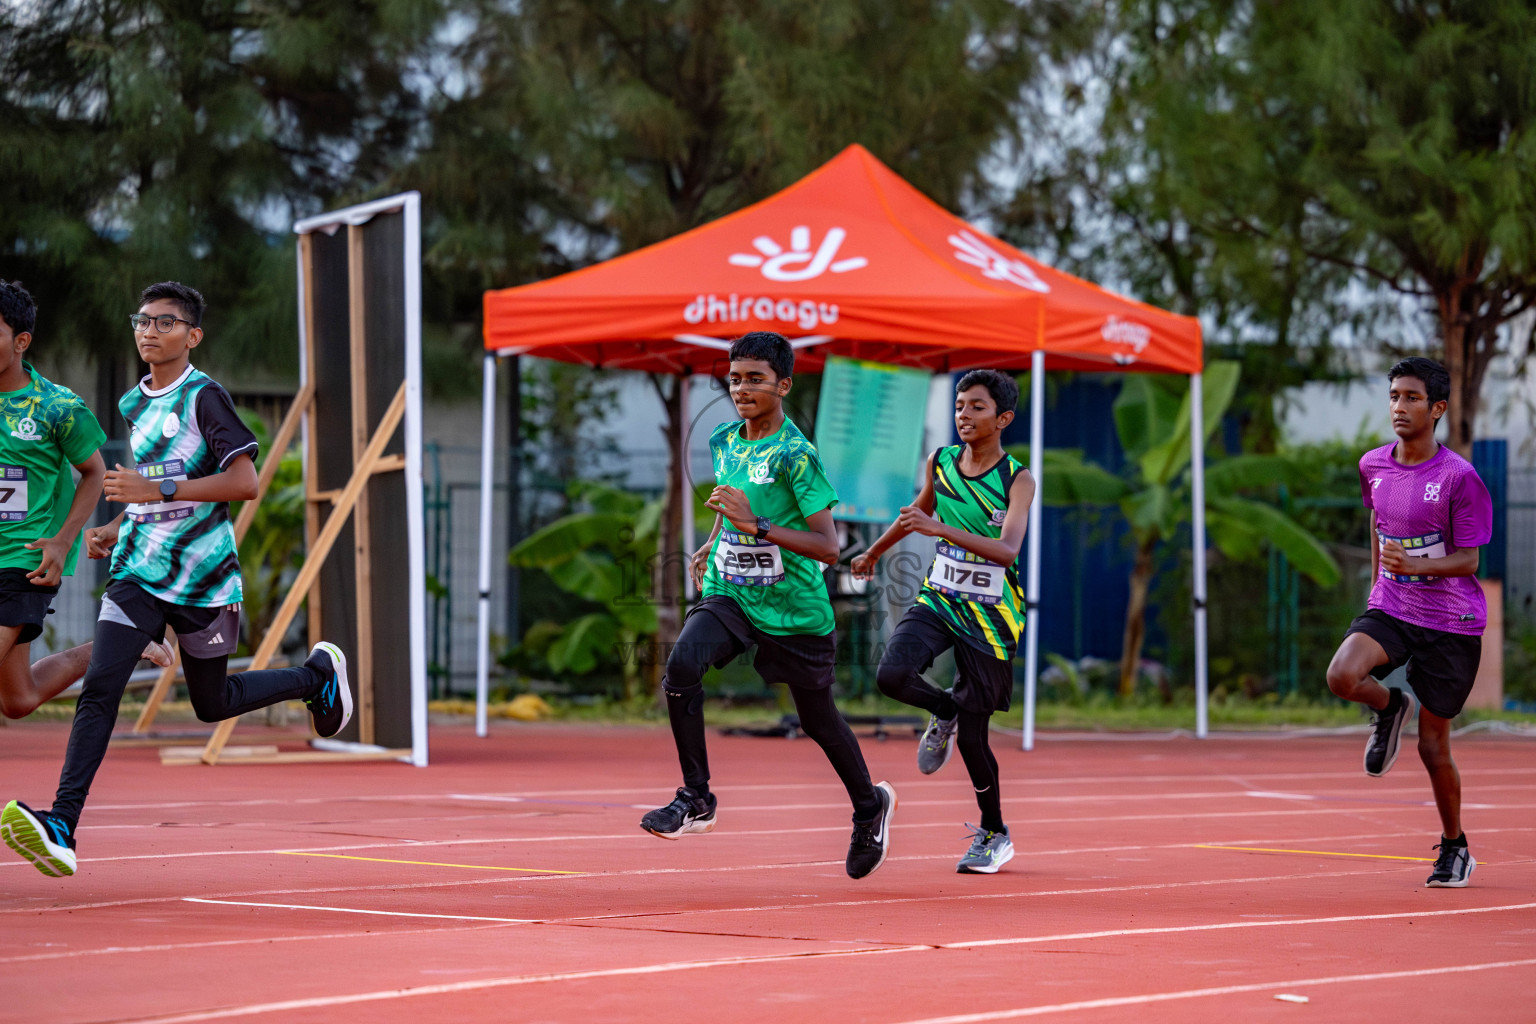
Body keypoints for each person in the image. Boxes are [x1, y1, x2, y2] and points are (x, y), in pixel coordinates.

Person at [2, 281, 353, 878]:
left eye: (165, 323)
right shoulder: (134, 402)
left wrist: (153, 490)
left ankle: (315, 677)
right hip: (138, 570)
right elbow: (158, 485)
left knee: (211, 704)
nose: (149, 330)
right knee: (101, 691)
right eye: (143, 321)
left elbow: (244, 484)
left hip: (204, 579)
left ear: (192, 336)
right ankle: (62, 824)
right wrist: (119, 523)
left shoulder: (204, 398)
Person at [640, 330, 896, 879]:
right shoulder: (726, 440)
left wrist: (756, 525)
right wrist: (714, 539)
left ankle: (869, 806)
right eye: (734, 378)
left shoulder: (798, 456)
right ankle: (696, 797)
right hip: (731, 591)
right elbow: (730, 500)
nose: (741, 388)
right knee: (682, 665)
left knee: (819, 721)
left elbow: (828, 546)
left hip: (794, 608)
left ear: (783, 384)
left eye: (754, 379)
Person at [852, 369, 1032, 874]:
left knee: (975, 741)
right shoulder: (942, 462)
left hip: (993, 617)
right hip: (941, 598)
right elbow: (915, 515)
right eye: (958, 406)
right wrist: (872, 552)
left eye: (976, 407)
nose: (963, 416)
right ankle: (943, 709)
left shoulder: (1018, 480)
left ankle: (995, 833)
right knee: (891, 673)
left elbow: (1007, 549)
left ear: (1003, 418)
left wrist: (940, 527)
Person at [1324, 357, 1492, 888]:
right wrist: (1381, 583)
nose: (1399, 407)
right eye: (1394, 396)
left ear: (1438, 408)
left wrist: (1416, 566)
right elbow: (1379, 527)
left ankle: (1454, 845)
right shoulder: (1373, 465)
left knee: (1432, 746)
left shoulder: (1459, 478)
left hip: (1451, 620)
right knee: (1342, 676)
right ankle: (1390, 703)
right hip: (1393, 605)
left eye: (1412, 398)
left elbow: (1469, 561)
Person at [0, 281, 170, 722]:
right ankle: (123, 641)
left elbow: (95, 472)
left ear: (21, 342)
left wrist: (61, 541)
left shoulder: (56, 407)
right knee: (18, 700)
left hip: (23, 560)